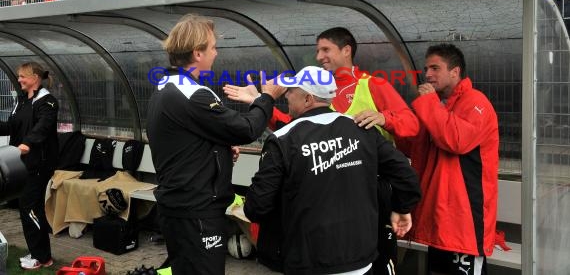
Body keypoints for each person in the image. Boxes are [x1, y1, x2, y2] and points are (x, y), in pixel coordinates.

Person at [225, 27, 420, 275]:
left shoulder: (372, 84)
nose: (319, 56)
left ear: (346, 50)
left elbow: (412, 126)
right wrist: (260, 104)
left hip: (367, 200)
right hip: (344, 219)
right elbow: (299, 129)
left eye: (325, 49)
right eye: (317, 50)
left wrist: (384, 117)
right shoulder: (330, 99)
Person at [146, 14, 280, 275]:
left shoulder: (166, 86)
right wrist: (266, 98)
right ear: (197, 53)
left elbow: (183, 139)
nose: (216, 53)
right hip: (196, 209)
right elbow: (246, 129)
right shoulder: (193, 94)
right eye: (213, 47)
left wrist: (217, 149)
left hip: (180, 205)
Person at [404, 43, 499, 275]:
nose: (427, 75)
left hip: (465, 222)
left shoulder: (476, 103)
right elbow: (415, 147)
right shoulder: (440, 104)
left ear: (455, 71)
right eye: (426, 68)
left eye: (435, 68)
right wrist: (387, 121)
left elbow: (456, 140)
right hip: (442, 221)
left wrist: (429, 104)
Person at [0, 62, 58, 270]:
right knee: (27, 209)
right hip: (21, 164)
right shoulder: (22, 101)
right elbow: (10, 126)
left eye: (22, 76)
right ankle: (36, 252)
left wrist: (27, 143)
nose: (19, 80)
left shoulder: (48, 102)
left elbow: (43, 126)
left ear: (35, 77)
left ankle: (42, 258)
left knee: (31, 209)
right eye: (18, 77)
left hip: (38, 165)